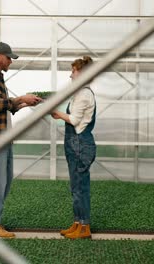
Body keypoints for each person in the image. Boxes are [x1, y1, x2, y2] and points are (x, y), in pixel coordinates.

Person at [0, 42, 42, 238]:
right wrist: (21, 97)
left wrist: (25, 102)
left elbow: (7, 107)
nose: (11, 62)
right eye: (9, 58)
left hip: (2, 136)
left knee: (4, 180)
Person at [51, 56, 96, 239]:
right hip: (74, 143)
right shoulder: (79, 93)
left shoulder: (85, 94)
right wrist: (59, 114)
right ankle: (77, 222)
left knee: (80, 188)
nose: (71, 75)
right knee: (75, 187)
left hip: (80, 144)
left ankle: (84, 227)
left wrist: (56, 113)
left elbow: (75, 120)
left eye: (74, 71)